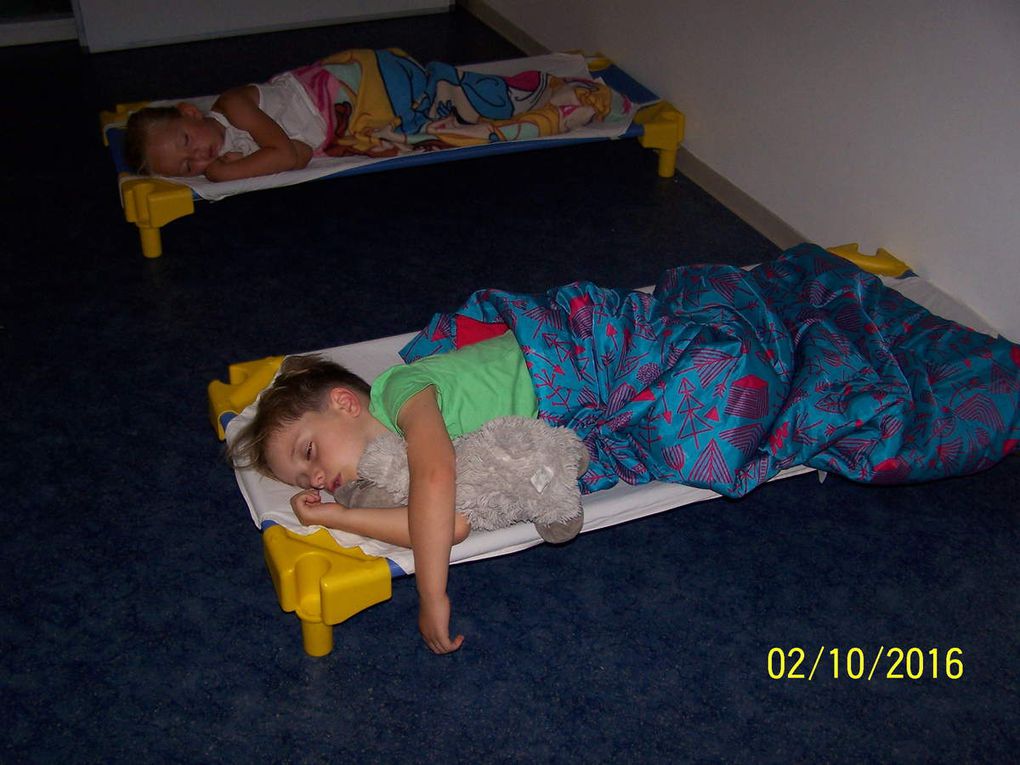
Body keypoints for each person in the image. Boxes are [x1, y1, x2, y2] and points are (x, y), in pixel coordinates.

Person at [228, 330, 541, 655]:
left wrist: (431, 595)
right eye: (304, 480)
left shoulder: (400, 391)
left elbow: (435, 476)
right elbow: (449, 524)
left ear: (345, 403)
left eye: (309, 451)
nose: (317, 479)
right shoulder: (391, 470)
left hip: (559, 355)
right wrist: (337, 517)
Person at [124, 49, 627, 181]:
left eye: (187, 141)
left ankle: (553, 91)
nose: (199, 158)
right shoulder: (230, 147)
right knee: (447, 122)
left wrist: (224, 172)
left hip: (363, 84)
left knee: (457, 97)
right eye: (187, 166)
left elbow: (288, 155)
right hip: (349, 118)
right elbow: (296, 151)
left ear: (191, 112)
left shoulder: (234, 106)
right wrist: (252, 159)